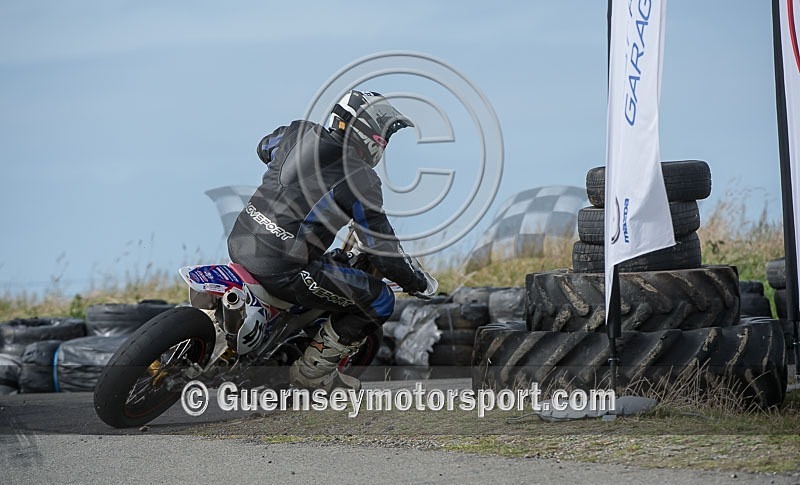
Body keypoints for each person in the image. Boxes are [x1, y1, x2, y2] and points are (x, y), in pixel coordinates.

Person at [227, 90, 437, 392]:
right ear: (365, 132)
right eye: (382, 135)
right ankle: (311, 376)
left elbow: (264, 148)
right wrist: (416, 282)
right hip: (284, 267)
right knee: (379, 299)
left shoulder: (296, 132)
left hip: (240, 242)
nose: (383, 143)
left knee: (326, 261)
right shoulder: (361, 180)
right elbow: (383, 250)